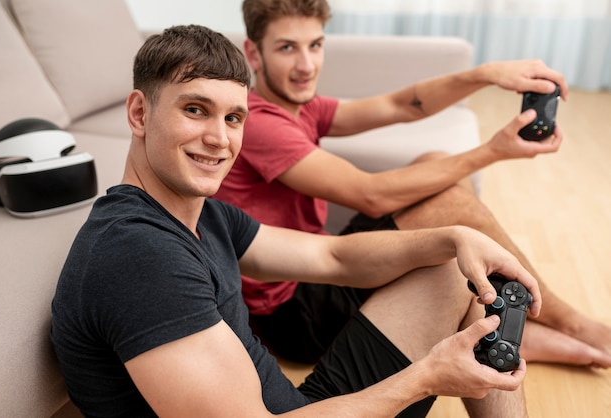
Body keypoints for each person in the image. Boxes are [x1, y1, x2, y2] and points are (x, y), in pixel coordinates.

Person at [49, 24, 544, 417]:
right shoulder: (139, 256)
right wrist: (429, 376)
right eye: (195, 110)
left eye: (233, 118)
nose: (220, 139)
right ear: (139, 113)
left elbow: (332, 254)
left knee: (448, 269)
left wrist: (455, 237)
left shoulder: (202, 215)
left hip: (307, 406)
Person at [213, 0, 611, 368]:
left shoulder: (302, 106)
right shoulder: (260, 121)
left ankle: (491, 324)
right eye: (287, 48)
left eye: (315, 45)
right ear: (254, 53)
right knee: (448, 204)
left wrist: (486, 74)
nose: (306, 65)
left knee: (434, 164)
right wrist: (493, 150)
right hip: (296, 314)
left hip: (320, 267)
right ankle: (570, 324)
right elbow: (371, 195)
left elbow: (400, 105)